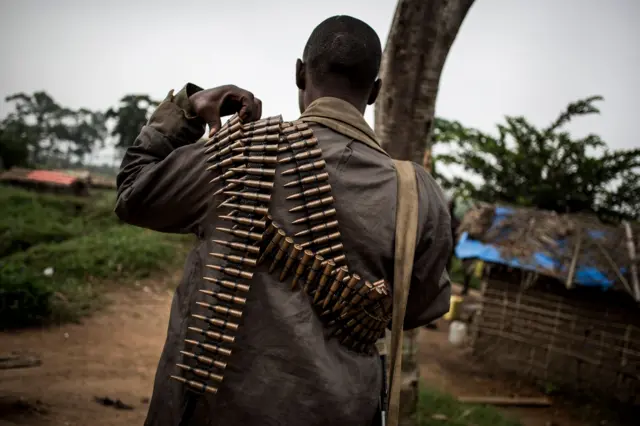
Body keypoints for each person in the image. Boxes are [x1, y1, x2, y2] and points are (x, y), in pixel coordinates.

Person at [115, 15, 452, 426]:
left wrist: (187, 109)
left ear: (299, 73)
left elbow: (133, 193)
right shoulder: (418, 193)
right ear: (376, 91)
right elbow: (418, 308)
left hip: (213, 410)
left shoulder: (235, 155)